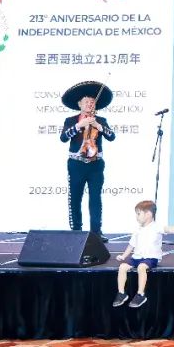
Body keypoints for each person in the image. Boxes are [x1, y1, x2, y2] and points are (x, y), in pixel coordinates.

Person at [59, 81, 115, 240]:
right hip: (76, 164)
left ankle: (96, 232)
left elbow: (112, 136)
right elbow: (63, 138)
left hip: (96, 165)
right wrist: (79, 125)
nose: (90, 104)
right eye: (86, 102)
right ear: (79, 104)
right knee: (75, 198)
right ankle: (76, 231)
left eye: (92, 102)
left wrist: (98, 125)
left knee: (95, 198)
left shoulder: (101, 120)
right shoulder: (71, 120)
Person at [113, 200, 174, 308]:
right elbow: (131, 245)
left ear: (148, 214)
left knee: (141, 267)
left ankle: (140, 294)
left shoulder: (156, 227)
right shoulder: (137, 230)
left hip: (150, 258)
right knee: (122, 267)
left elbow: (170, 229)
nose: (136, 217)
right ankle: (121, 293)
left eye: (138, 214)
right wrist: (123, 256)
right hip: (137, 257)